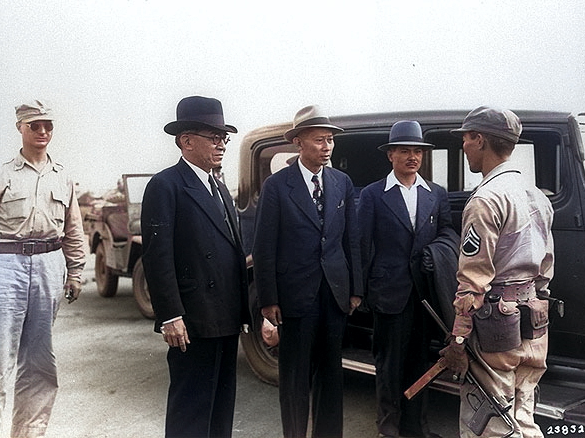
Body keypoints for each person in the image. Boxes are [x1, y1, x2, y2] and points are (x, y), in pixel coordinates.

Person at [440, 106, 554, 438]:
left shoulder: (485, 200)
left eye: (465, 138)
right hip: (535, 323)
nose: (463, 146)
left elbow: (472, 286)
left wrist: (458, 341)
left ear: (479, 139)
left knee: (490, 424)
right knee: (524, 418)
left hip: (496, 328)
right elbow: (545, 274)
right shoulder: (537, 196)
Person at [140, 96, 250, 438]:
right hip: (192, 319)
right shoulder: (166, 185)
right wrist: (170, 315)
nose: (221, 145)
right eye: (213, 137)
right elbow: (157, 258)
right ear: (185, 140)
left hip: (226, 316)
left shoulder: (218, 186)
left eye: (224, 138)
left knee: (220, 408)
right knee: (191, 411)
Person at [252, 105, 363, 438]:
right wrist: (268, 299)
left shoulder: (342, 183)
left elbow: (351, 239)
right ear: (299, 143)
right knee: (295, 379)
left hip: (334, 296)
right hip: (294, 298)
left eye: (330, 140)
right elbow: (264, 247)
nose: (327, 147)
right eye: (319, 140)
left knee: (331, 376)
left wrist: (355, 289)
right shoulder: (277, 186)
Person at [0, 100, 86, 438]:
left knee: (40, 362)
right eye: (35, 125)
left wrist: (76, 271)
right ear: (20, 127)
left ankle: (28, 434)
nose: (43, 132)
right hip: (5, 264)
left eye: (48, 125)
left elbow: (73, 228)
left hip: (49, 263)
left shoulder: (63, 176)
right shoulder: (0, 174)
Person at [357, 121, 457, 438]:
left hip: (425, 296)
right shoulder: (374, 194)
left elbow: (447, 232)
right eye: (404, 151)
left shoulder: (436, 194)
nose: (412, 157)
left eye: (417, 151)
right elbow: (361, 244)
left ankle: (417, 427)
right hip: (388, 293)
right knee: (389, 366)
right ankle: (389, 427)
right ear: (391, 155)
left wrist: (437, 251)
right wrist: (361, 292)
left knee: (421, 364)